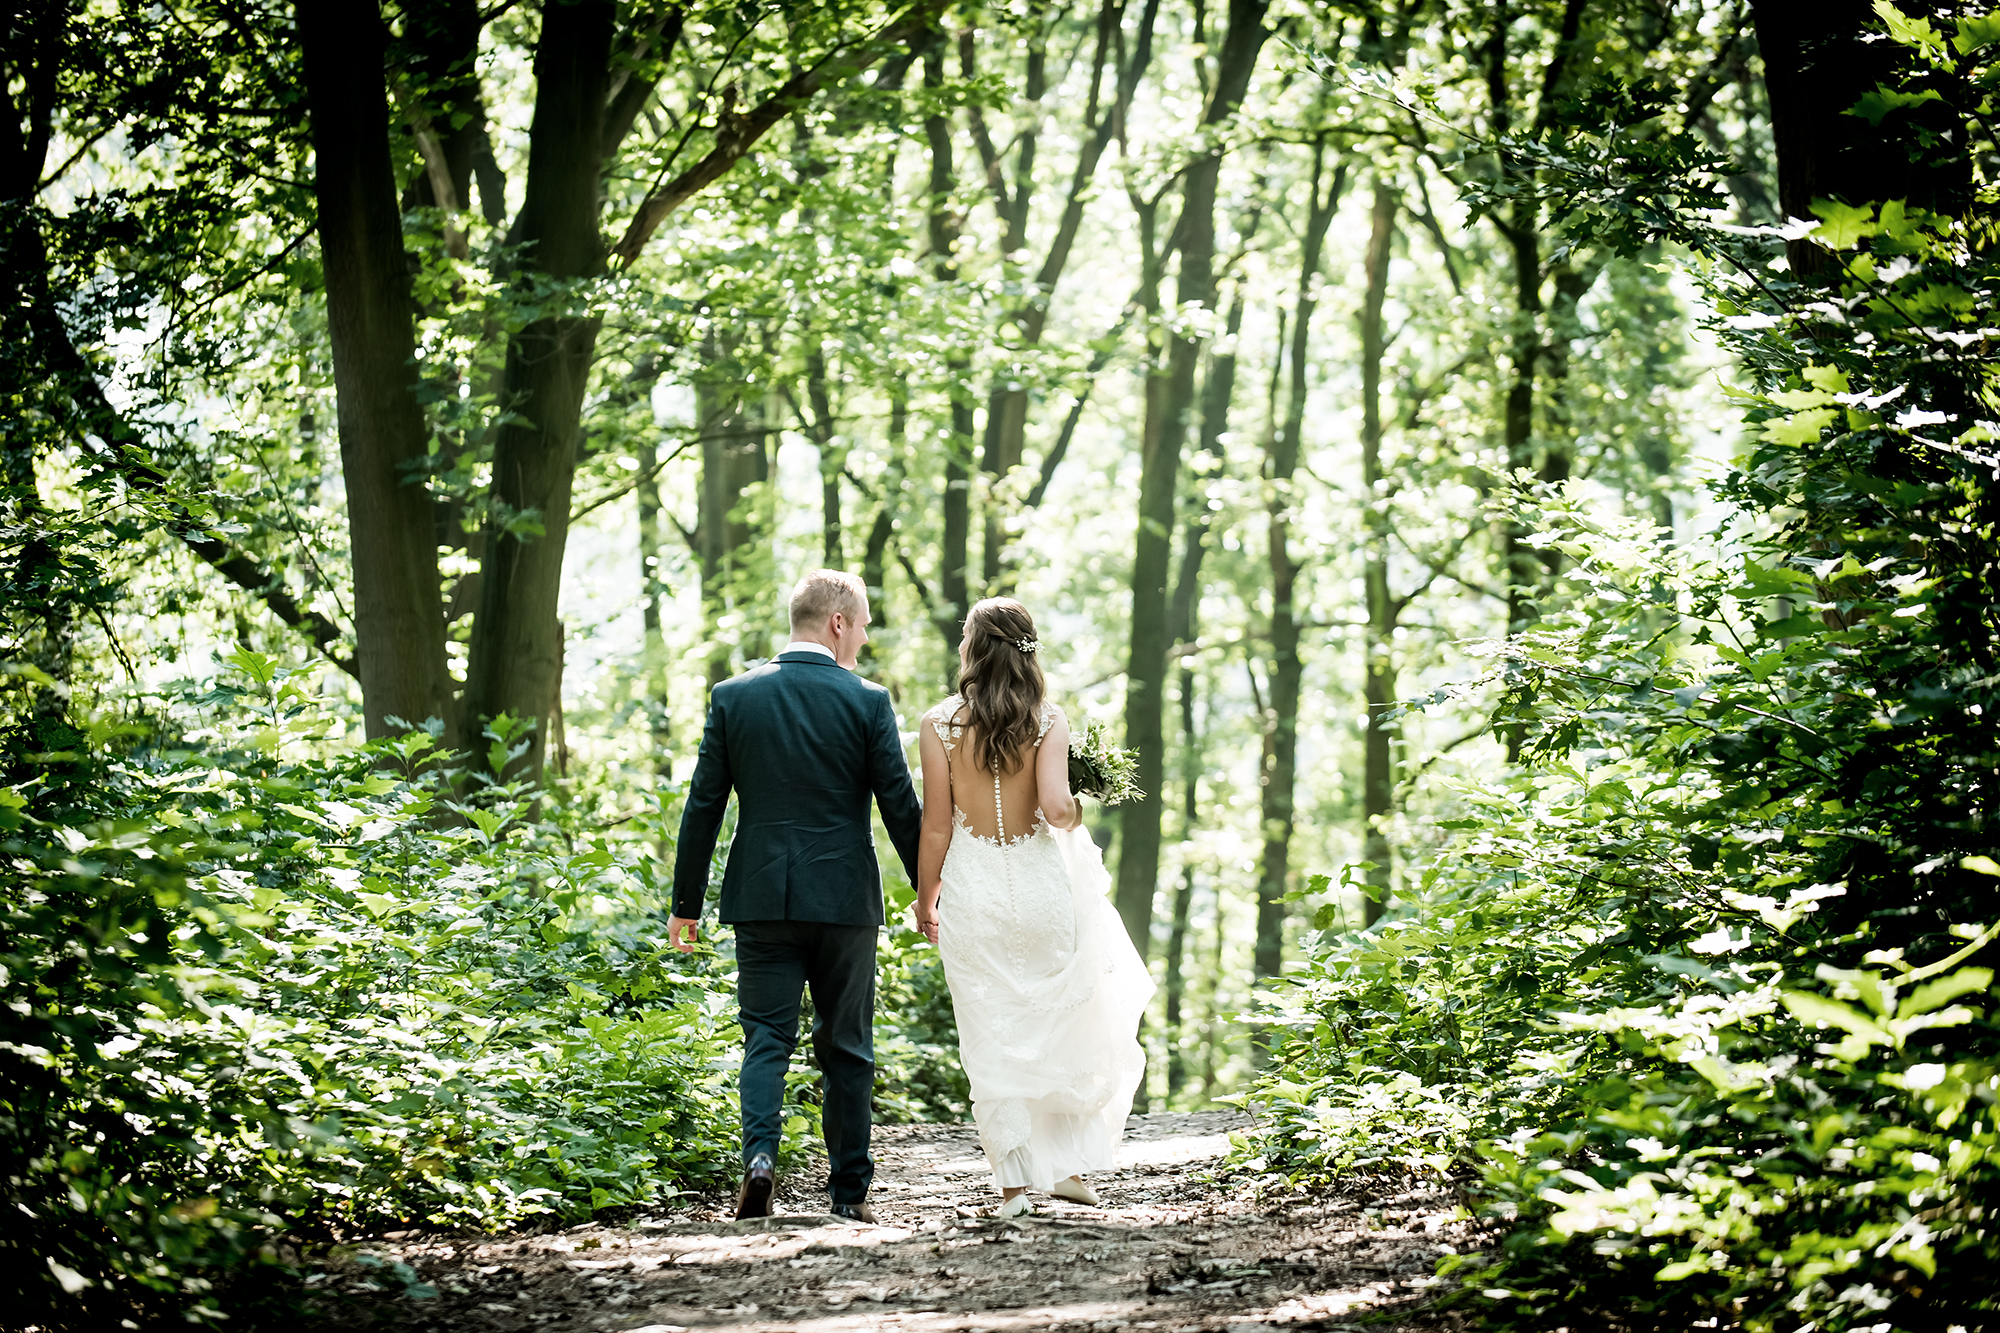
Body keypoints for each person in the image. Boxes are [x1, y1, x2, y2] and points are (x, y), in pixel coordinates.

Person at [670, 569, 922, 1223]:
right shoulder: (867, 701)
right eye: (862, 624)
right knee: (848, 1046)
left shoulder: (734, 696)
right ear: (837, 622)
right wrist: (934, 889)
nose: (863, 638)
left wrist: (685, 904)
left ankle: (759, 1161)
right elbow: (899, 806)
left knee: (765, 1040)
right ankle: (849, 1193)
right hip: (844, 901)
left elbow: (703, 806)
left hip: (760, 897)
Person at [914, 597, 1153, 1217]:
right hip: (1041, 889)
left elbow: (937, 826)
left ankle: (1015, 1188)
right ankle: (1070, 1168)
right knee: (1052, 1023)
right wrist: (1079, 793)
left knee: (991, 1033)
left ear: (971, 647)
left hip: (975, 889)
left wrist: (925, 897)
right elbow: (1055, 810)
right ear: (1026, 648)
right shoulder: (1048, 720)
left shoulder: (939, 723)